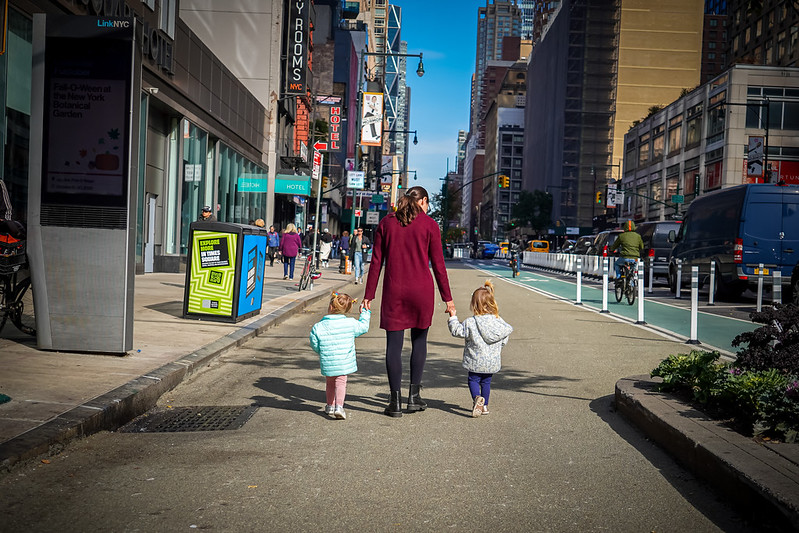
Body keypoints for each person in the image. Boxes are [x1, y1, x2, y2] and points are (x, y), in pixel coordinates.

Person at [361, 186, 455, 417]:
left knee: (393, 346)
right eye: (427, 203)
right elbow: (439, 266)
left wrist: (368, 295)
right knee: (419, 342)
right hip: (421, 291)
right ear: (422, 201)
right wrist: (448, 299)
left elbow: (376, 262)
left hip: (394, 290)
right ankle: (414, 397)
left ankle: (395, 402)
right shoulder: (430, 225)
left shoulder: (386, 223)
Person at [447, 280, 513, 417]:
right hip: (492, 361)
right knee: (486, 382)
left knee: (473, 380)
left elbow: (457, 331)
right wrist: (498, 348)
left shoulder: (471, 322)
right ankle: (485, 406)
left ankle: (477, 398)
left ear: (474, 304)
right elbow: (504, 336)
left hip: (475, 360)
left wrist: (453, 317)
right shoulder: (498, 320)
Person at [309, 291, 371, 420]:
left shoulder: (318, 326)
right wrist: (365, 313)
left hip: (328, 361)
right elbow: (364, 327)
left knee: (330, 383)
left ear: (331, 307)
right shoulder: (351, 323)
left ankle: (329, 406)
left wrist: (322, 351)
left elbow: (314, 343)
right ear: (348, 309)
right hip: (343, 362)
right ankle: (339, 407)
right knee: (341, 382)